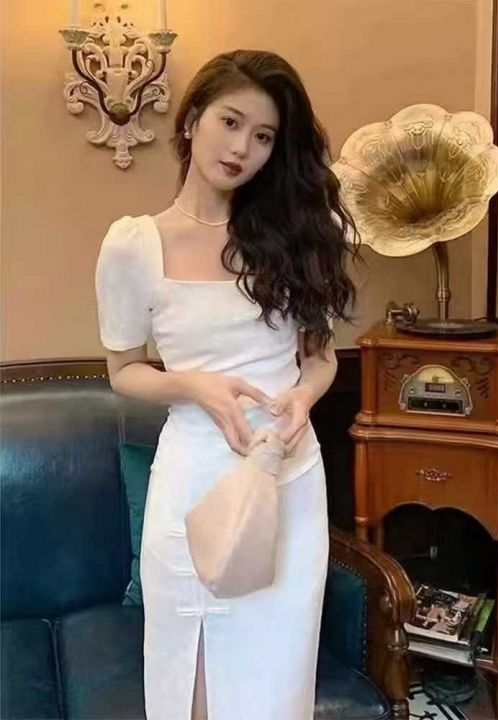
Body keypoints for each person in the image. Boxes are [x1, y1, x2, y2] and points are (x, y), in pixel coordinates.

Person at [95, 48, 360, 720]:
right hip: (195, 481)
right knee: (193, 680)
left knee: (275, 683)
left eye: (264, 136)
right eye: (231, 122)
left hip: (289, 479)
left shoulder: (296, 238)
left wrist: (303, 396)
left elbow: (320, 360)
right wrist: (196, 387)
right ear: (192, 121)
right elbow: (123, 371)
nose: (242, 148)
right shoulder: (134, 244)